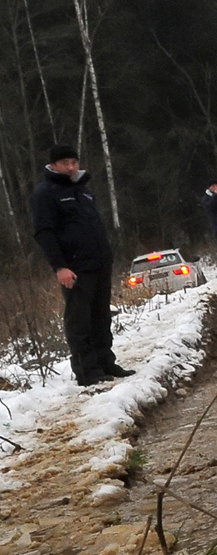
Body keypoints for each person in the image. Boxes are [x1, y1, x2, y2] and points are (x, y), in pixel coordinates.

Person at [29, 144, 132, 387]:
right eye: (65, 163)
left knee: (101, 317)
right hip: (74, 268)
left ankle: (106, 362)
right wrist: (59, 267)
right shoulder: (45, 193)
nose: (71, 167)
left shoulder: (83, 191)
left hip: (99, 263)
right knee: (80, 321)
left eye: (74, 162)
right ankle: (87, 371)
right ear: (53, 165)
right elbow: (44, 232)